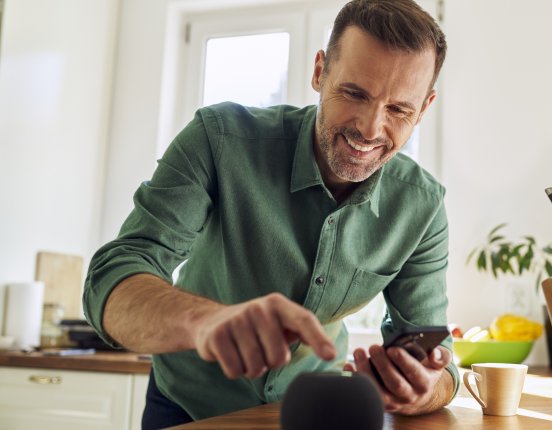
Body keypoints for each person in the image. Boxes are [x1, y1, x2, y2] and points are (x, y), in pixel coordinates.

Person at [83, 0, 457, 427]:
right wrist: (207, 322)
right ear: (320, 72)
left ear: (423, 109)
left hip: (312, 414)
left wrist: (424, 388)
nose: (371, 129)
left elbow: (439, 363)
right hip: (187, 406)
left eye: (398, 110)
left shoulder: (422, 206)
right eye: (354, 93)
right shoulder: (218, 140)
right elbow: (110, 281)